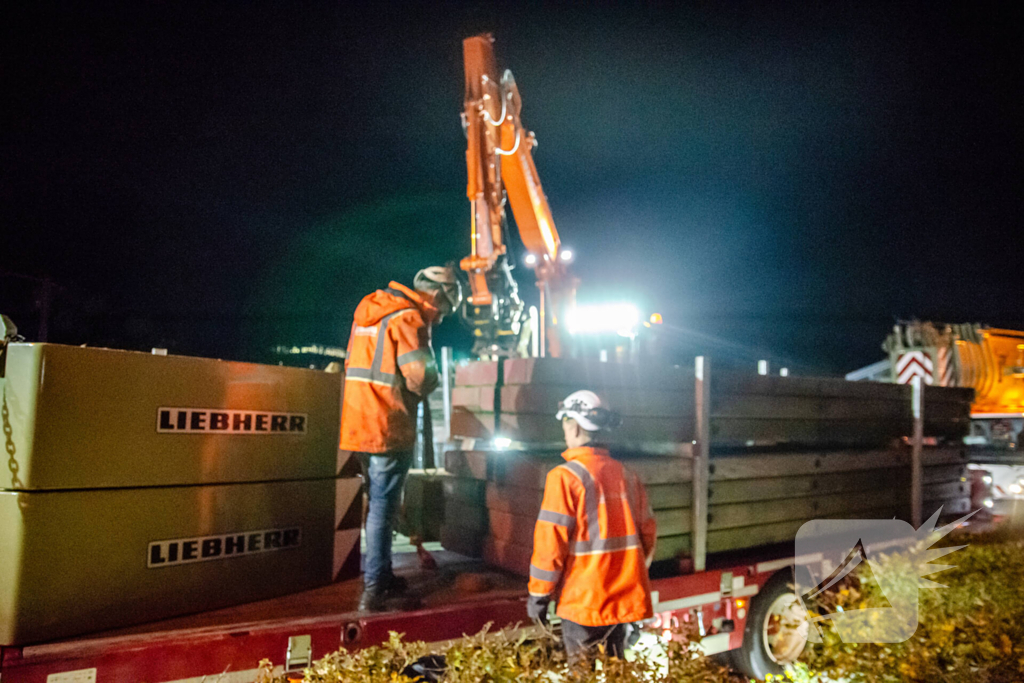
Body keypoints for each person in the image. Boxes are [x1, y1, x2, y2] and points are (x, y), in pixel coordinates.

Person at [341, 266, 461, 612]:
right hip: (388, 423)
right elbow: (421, 377)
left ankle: (381, 575)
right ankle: (377, 589)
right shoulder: (410, 319)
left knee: (377, 503)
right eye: (446, 306)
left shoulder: (372, 309)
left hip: (358, 420)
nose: (442, 315)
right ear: (438, 295)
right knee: (384, 507)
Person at [527, 390, 657, 663]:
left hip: (582, 603)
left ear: (573, 426)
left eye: (564, 426)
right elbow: (647, 535)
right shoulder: (628, 476)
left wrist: (538, 596)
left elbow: (551, 545)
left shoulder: (564, 477)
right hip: (620, 602)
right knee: (615, 672)